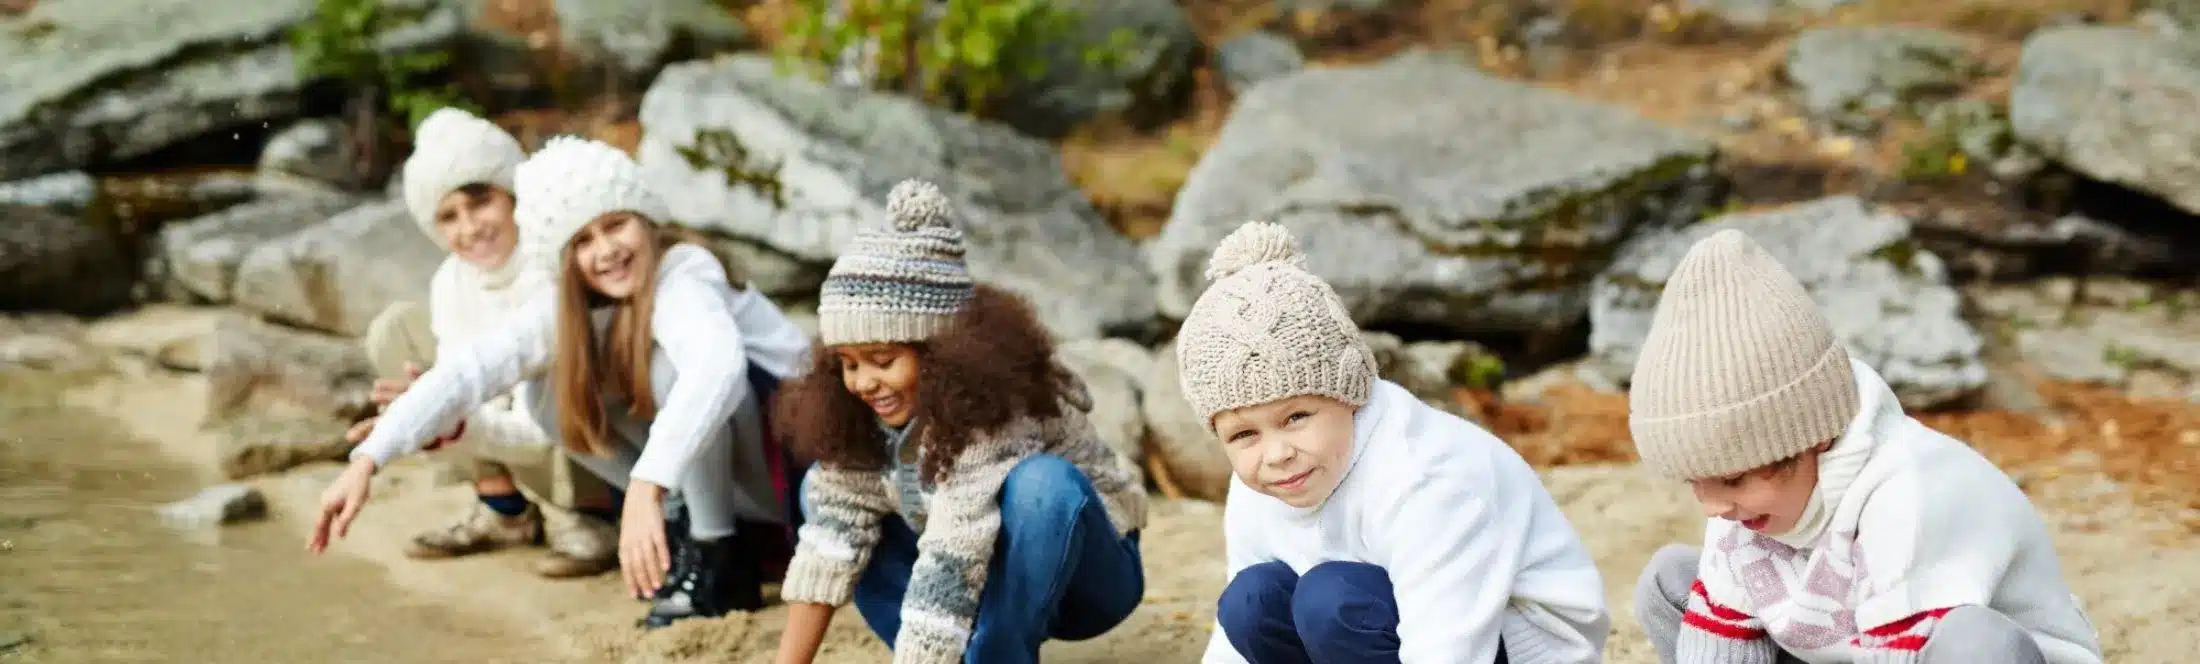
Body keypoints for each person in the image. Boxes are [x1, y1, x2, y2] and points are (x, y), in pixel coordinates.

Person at [308, 136, 813, 629]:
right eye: (583, 241)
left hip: (797, 466)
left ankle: (718, 556)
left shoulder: (685, 271)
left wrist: (646, 485)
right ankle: (687, 527)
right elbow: (471, 370)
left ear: (646, 220)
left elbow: (716, 368)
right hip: (732, 478)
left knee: (672, 370)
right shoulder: (568, 304)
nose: (607, 250)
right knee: (545, 391)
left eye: (616, 225)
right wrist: (368, 459)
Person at [1625, 229, 2104, 664]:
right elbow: (1723, 635)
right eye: (1696, 482)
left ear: (1812, 436)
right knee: (1671, 581)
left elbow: (1903, 650)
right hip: (1854, 649)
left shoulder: (1909, 491)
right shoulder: (1744, 505)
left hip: (1938, 648)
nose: (1713, 506)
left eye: (1731, 479)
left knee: (1975, 643)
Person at [1187, 222, 1609, 664]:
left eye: (1296, 417)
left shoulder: (1423, 477)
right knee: (1250, 599)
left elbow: (1447, 648)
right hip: (1388, 622)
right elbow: (1232, 649)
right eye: (1244, 434)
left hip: (1510, 639)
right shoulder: (1268, 479)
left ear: (1346, 393)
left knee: (1331, 601)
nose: (1275, 453)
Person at [768, 180, 1149, 664]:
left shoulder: (997, 409)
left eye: (882, 360)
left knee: (1042, 485)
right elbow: (829, 544)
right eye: (848, 362)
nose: (864, 381)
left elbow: (956, 548)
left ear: (942, 355)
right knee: (822, 493)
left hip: (1088, 580)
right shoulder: (864, 415)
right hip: (977, 576)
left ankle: (993, 657)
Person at [354, 107, 618, 579]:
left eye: (480, 202)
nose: (469, 228)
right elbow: (469, 385)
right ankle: (503, 507)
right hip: (503, 428)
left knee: (547, 381)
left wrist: (453, 421)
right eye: (448, 217)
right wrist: (444, 414)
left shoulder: (552, 266)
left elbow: (537, 430)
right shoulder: (451, 284)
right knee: (394, 330)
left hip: (576, 442)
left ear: (514, 194)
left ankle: (590, 515)